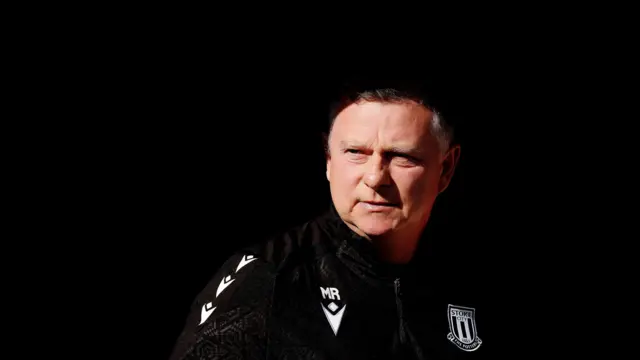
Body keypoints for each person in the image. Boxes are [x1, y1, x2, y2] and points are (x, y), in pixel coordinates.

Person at [169, 78, 484, 359]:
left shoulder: (467, 275)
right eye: (355, 152)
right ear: (329, 160)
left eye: (402, 156)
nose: (375, 178)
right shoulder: (268, 278)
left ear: (445, 169)